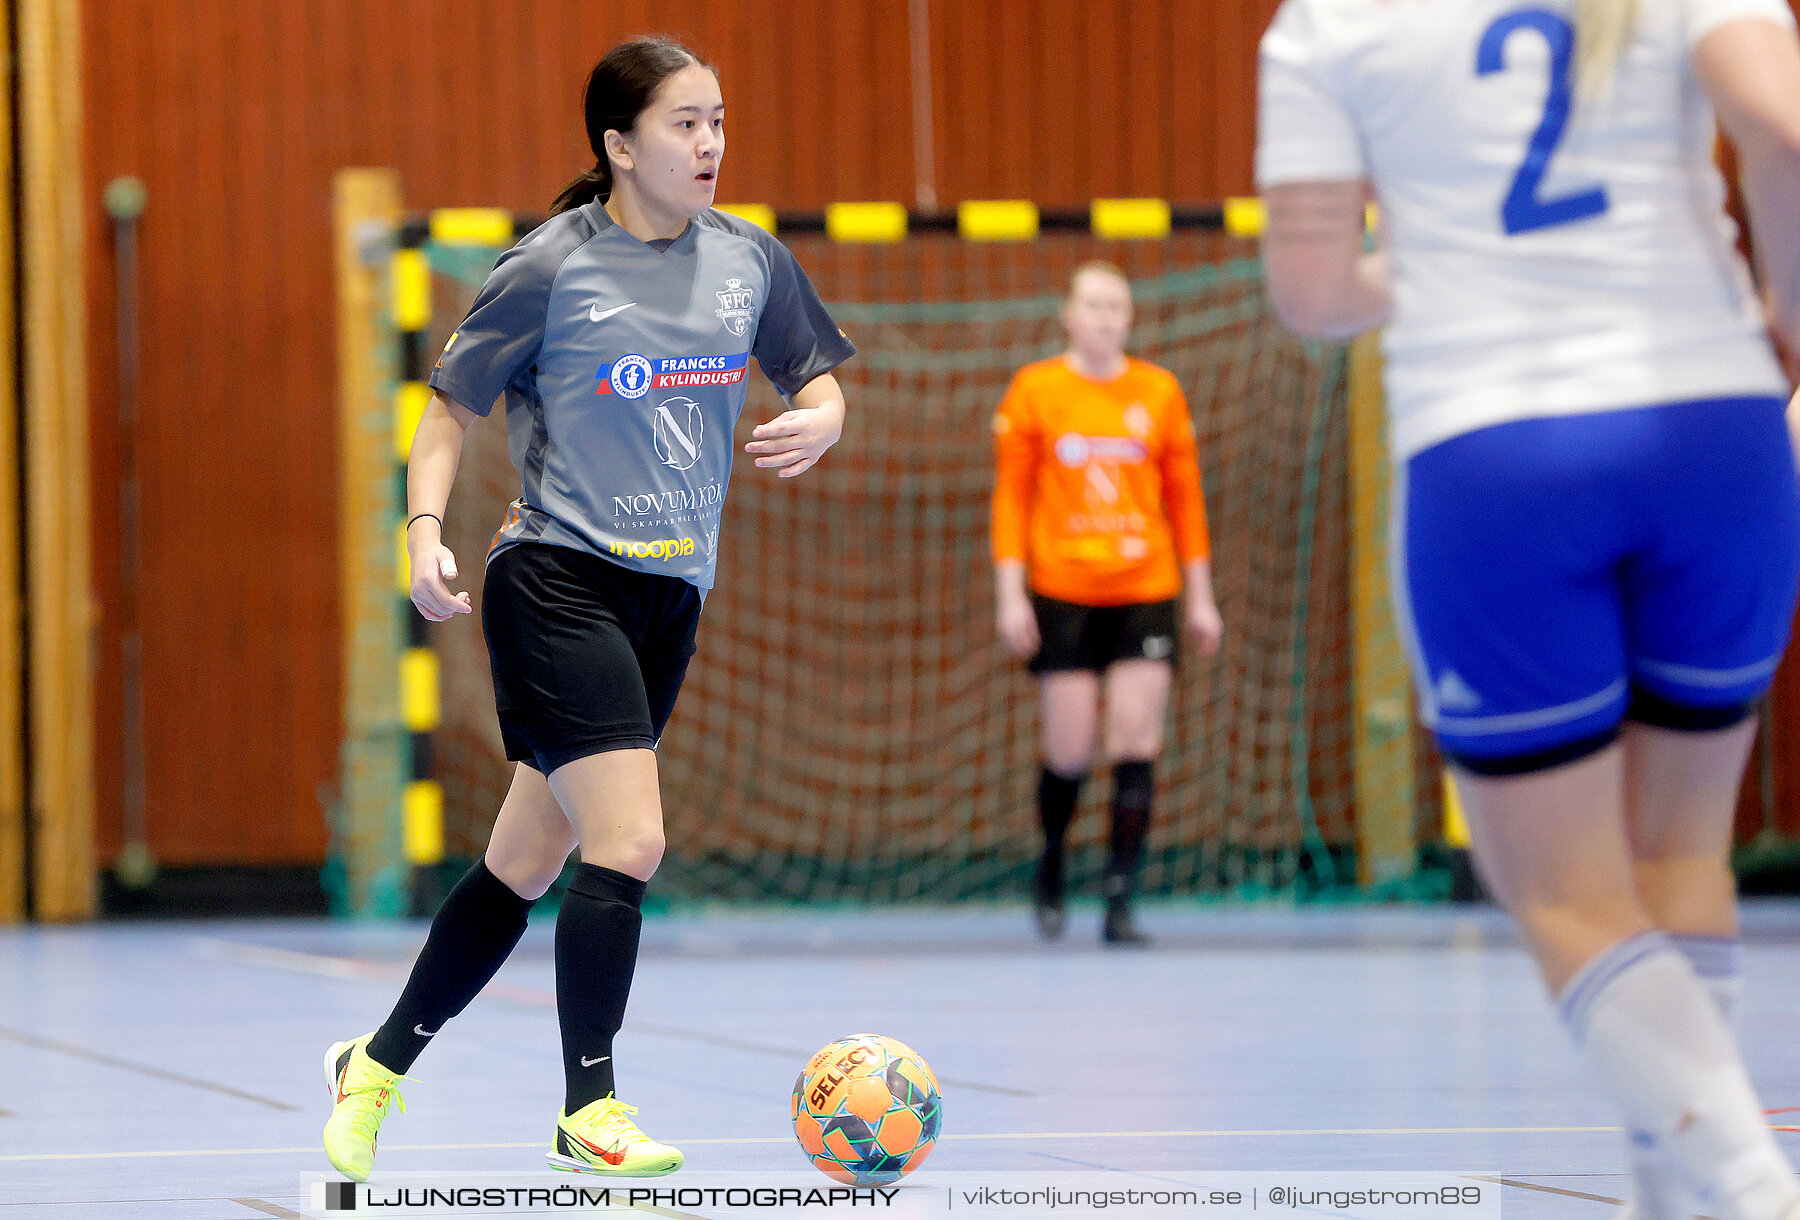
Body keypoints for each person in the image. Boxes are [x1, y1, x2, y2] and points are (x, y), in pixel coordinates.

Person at [1259, 1, 1800, 1216]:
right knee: (1680, 853)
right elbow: (1783, 128)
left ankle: (1756, 1188)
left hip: (1498, 449)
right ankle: (1690, 1195)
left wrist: (1435, 258)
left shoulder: (1330, 25)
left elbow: (1312, 293)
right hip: (1721, 430)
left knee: (1566, 891)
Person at [321, 36, 854, 1182]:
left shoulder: (748, 261)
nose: (710, 143)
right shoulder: (551, 267)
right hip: (556, 576)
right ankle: (590, 1107)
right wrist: (422, 532)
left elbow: (818, 374)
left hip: (670, 594)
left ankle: (376, 1059)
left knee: (524, 861)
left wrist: (825, 413)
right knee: (633, 837)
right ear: (619, 146)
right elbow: (448, 409)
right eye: (683, 124)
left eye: (718, 119)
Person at [991, 261, 1224, 947]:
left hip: (1145, 590)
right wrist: (1012, 594)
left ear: (1130, 316)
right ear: (1068, 313)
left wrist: (1202, 598)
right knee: (1068, 750)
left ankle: (1121, 899)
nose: (1103, 317)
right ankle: (1053, 865)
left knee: (1134, 738)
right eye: (1091, 305)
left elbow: (1186, 500)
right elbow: (1011, 500)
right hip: (1062, 590)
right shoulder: (1037, 390)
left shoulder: (1158, 392)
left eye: (1115, 306)